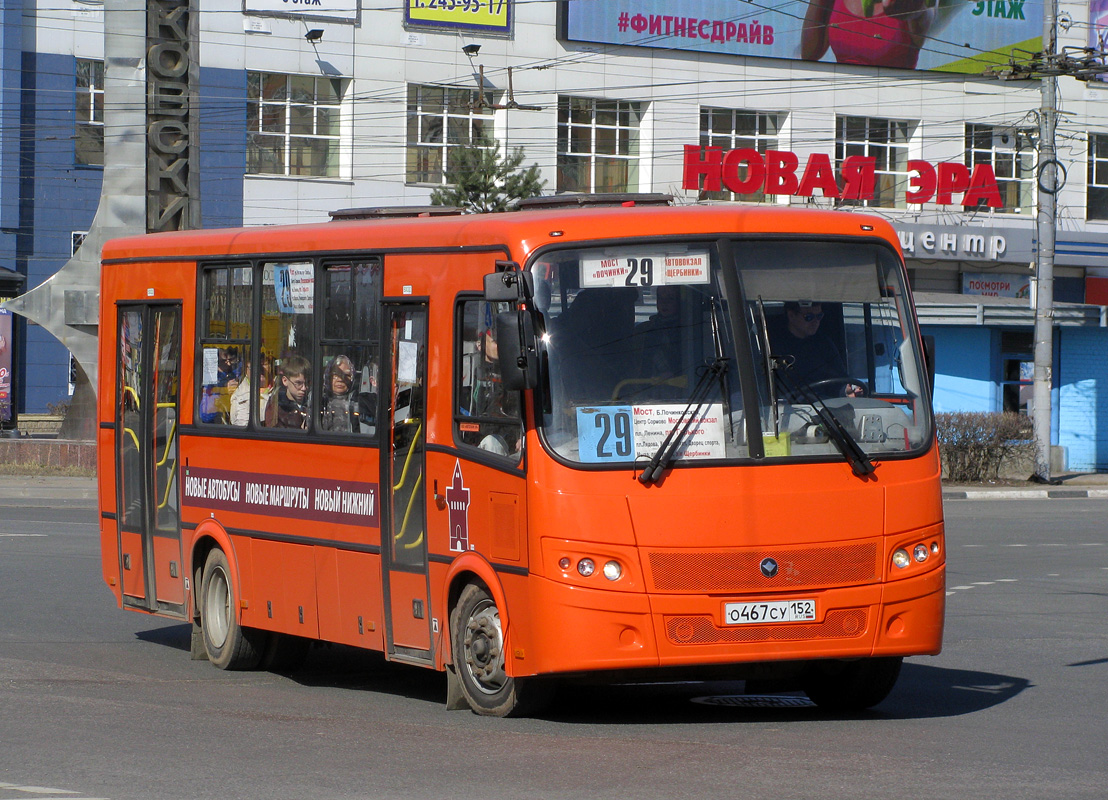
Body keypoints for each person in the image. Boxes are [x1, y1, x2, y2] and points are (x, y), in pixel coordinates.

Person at [801, 0, 937, 70]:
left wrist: (918, 11)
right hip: (840, 96)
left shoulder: (911, 6)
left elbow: (924, 15)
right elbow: (809, 55)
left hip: (893, 102)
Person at [772, 301, 861, 397]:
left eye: (819, 316)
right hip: (789, 408)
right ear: (791, 315)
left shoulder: (824, 344)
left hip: (825, 407)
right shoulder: (774, 346)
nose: (816, 322)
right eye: (809, 317)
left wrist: (846, 390)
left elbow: (839, 378)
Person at [264, 354, 311, 429]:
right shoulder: (276, 405)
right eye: (298, 383)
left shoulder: (312, 404)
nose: (304, 388)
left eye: (307, 383)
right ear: (285, 381)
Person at [199, 346, 242, 424]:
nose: (229, 364)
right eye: (224, 361)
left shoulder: (236, 373)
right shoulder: (209, 379)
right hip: (215, 423)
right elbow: (205, 414)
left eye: (231, 360)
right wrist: (224, 390)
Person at [319, 354, 356, 432]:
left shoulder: (357, 402)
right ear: (327, 376)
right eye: (335, 375)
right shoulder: (319, 401)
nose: (340, 379)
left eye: (346, 375)